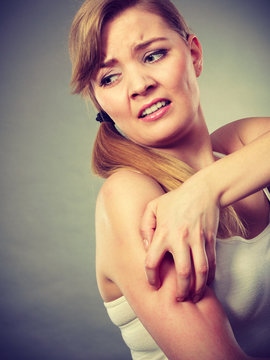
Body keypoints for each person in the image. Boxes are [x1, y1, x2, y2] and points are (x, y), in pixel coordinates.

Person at [69, 0, 270, 358]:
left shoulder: (238, 146)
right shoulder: (128, 196)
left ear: (193, 55)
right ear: (101, 103)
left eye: (152, 55)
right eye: (109, 77)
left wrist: (204, 189)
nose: (139, 85)